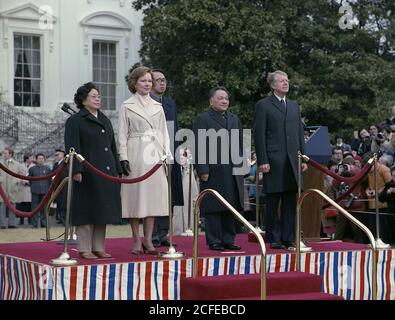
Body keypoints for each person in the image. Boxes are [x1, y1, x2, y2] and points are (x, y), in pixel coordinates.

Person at [65, 82, 122, 259]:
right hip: (87, 170)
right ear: (83, 100)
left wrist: (117, 168)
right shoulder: (75, 120)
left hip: (106, 170)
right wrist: (76, 170)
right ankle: (84, 248)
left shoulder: (104, 119)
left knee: (102, 210)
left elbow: (112, 146)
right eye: (93, 96)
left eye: (99, 96)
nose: (98, 98)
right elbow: (72, 147)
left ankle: (99, 247)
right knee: (86, 209)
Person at [119, 66, 171, 255]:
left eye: (150, 81)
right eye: (143, 81)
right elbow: (122, 134)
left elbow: (164, 133)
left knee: (152, 199)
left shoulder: (158, 106)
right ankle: (135, 239)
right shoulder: (127, 105)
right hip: (135, 151)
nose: (148, 84)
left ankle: (148, 240)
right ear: (134, 83)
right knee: (135, 197)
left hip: (154, 153)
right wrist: (122, 157)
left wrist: (167, 157)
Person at [253, 70, 307, 250]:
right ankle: (274, 238)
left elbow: (299, 132)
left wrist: (304, 157)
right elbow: (259, 134)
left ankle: (288, 237)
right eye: (282, 81)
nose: (286, 83)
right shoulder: (263, 105)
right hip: (273, 160)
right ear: (272, 85)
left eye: (287, 80)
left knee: (291, 201)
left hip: (293, 160)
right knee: (273, 201)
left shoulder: (293, 105)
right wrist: (262, 160)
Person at [193, 86, 244, 251]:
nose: (224, 101)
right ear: (211, 101)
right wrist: (202, 169)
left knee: (230, 204)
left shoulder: (234, 119)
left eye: (226, 98)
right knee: (214, 205)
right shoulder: (203, 118)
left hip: (232, 168)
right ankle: (214, 239)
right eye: (220, 98)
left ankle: (229, 238)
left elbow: (240, 144)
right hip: (213, 169)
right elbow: (199, 145)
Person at [149, 69, 184, 247]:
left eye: (164, 80)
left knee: (169, 195)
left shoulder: (170, 103)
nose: (162, 83)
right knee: (154, 195)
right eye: (158, 80)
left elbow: (175, 129)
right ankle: (152, 234)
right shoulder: (145, 103)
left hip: (170, 153)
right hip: (151, 154)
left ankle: (163, 233)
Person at [0, 147, 25, 229]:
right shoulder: (1, 163)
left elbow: (21, 174)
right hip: (2, 189)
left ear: (10, 154)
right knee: (2, 207)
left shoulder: (17, 164)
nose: (4, 155)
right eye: (3, 153)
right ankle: (2, 224)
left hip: (13, 188)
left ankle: (12, 223)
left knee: (12, 207)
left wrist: (17, 181)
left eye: (5, 153)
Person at [29, 153, 51, 228]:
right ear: (36, 159)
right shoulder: (32, 169)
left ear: (44, 160)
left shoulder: (47, 168)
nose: (41, 160)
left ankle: (43, 223)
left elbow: (49, 180)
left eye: (42, 158)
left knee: (44, 208)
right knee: (34, 208)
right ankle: (34, 223)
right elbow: (30, 180)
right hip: (35, 191)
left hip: (45, 191)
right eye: (39, 158)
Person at [16, 152, 34, 226]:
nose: (32, 159)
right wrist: (24, 181)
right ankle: (21, 219)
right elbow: (18, 175)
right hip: (23, 187)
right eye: (31, 157)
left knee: (30, 205)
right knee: (22, 205)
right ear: (27, 158)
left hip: (30, 187)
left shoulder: (34, 166)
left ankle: (30, 219)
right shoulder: (21, 166)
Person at [52, 148, 67, 225]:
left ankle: (64, 219)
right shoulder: (56, 164)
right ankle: (61, 218)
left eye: (58, 155)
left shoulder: (65, 163)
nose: (56, 156)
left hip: (64, 185)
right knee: (59, 202)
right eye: (55, 155)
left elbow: (64, 174)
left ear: (62, 155)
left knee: (64, 202)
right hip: (58, 186)